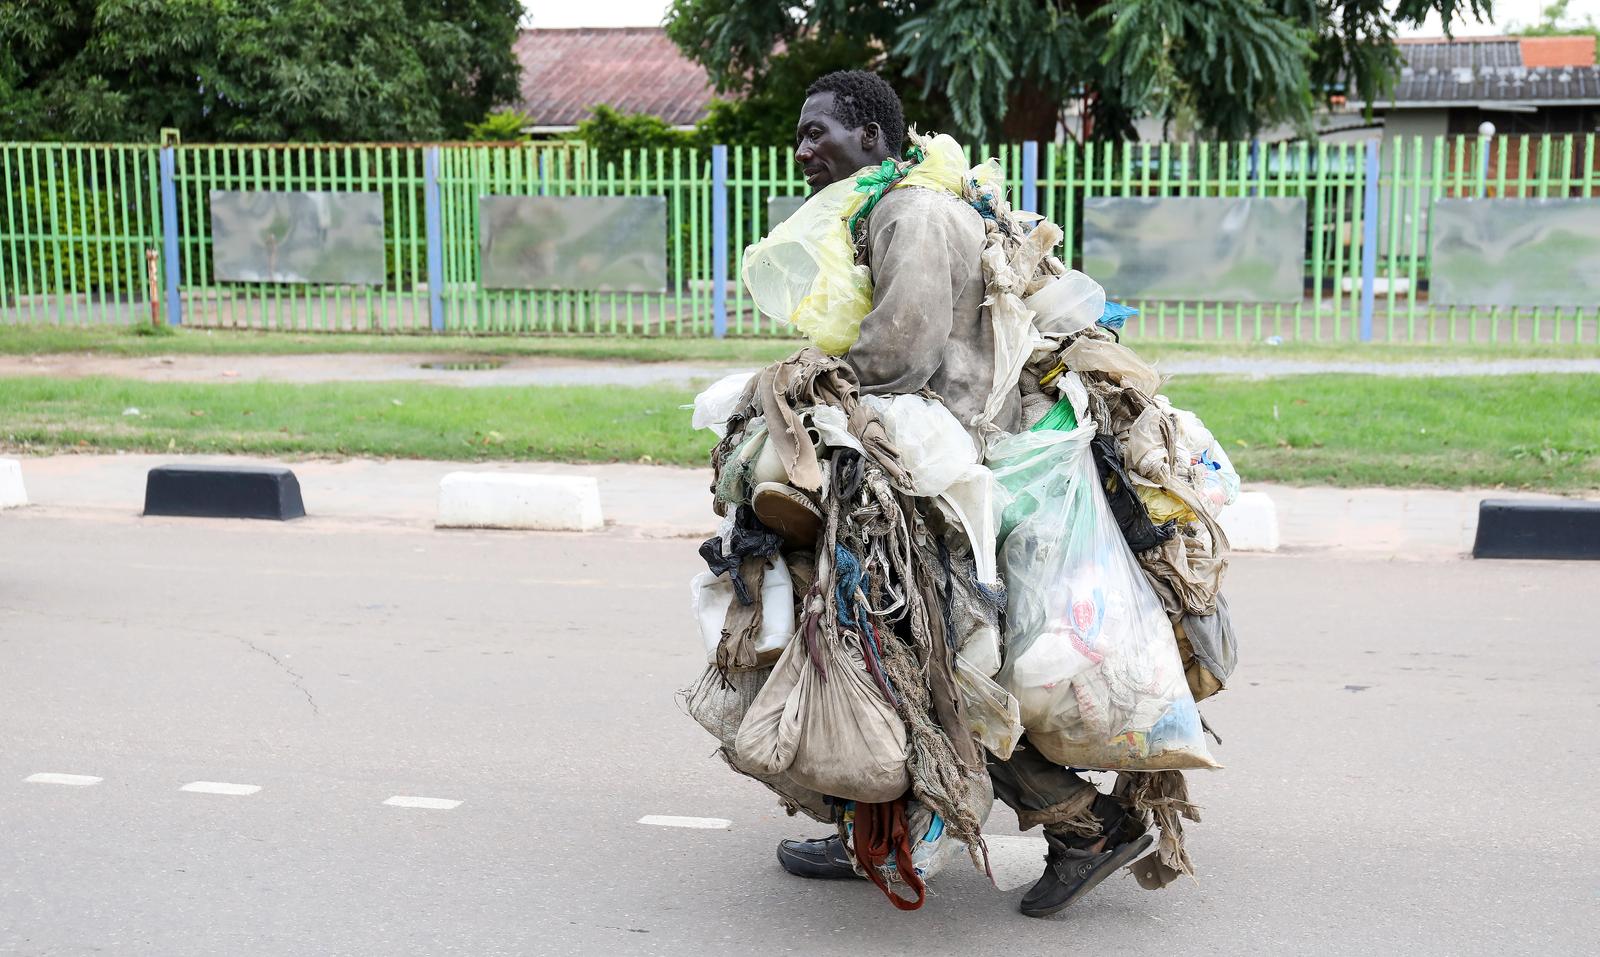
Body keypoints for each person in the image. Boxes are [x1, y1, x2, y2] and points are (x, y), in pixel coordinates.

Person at [772, 69, 1156, 919]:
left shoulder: (912, 215)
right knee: (879, 649)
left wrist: (801, 385)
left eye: (818, 133)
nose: (803, 151)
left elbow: (899, 355)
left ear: (871, 137)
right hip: (934, 468)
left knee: (932, 667)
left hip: (948, 481)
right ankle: (877, 833)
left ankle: (1088, 826)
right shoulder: (901, 203)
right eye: (799, 136)